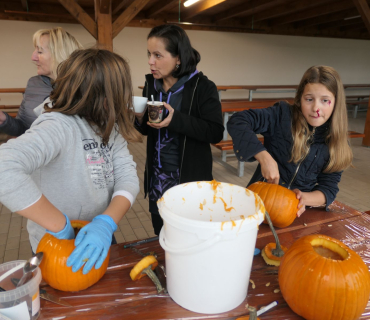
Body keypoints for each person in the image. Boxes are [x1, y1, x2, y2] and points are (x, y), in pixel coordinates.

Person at [0, 48, 141, 274]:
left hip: (97, 233)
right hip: (56, 242)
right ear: (105, 96)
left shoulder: (108, 125)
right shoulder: (57, 126)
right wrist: (60, 226)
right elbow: (3, 168)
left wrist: (106, 222)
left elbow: (127, 177)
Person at [228, 65, 353, 217]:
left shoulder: (336, 142)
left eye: (325, 100)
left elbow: (328, 189)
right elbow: (238, 121)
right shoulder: (281, 115)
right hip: (258, 203)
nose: (316, 108)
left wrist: (304, 198)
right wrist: (263, 156)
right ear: (300, 98)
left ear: (335, 103)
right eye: (309, 99)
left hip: (297, 212)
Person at [135, 24, 224, 235]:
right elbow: (148, 130)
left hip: (189, 183)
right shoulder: (151, 85)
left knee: (189, 239)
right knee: (162, 235)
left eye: (158, 55)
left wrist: (176, 120)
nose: (150, 61)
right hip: (158, 181)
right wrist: (139, 119)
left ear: (178, 58)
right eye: (149, 54)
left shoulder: (202, 86)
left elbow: (215, 132)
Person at [0, 27, 82, 136]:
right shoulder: (34, 84)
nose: (33, 57)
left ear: (59, 54)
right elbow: (24, 128)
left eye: (39, 51)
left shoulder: (84, 86)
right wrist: (3, 119)